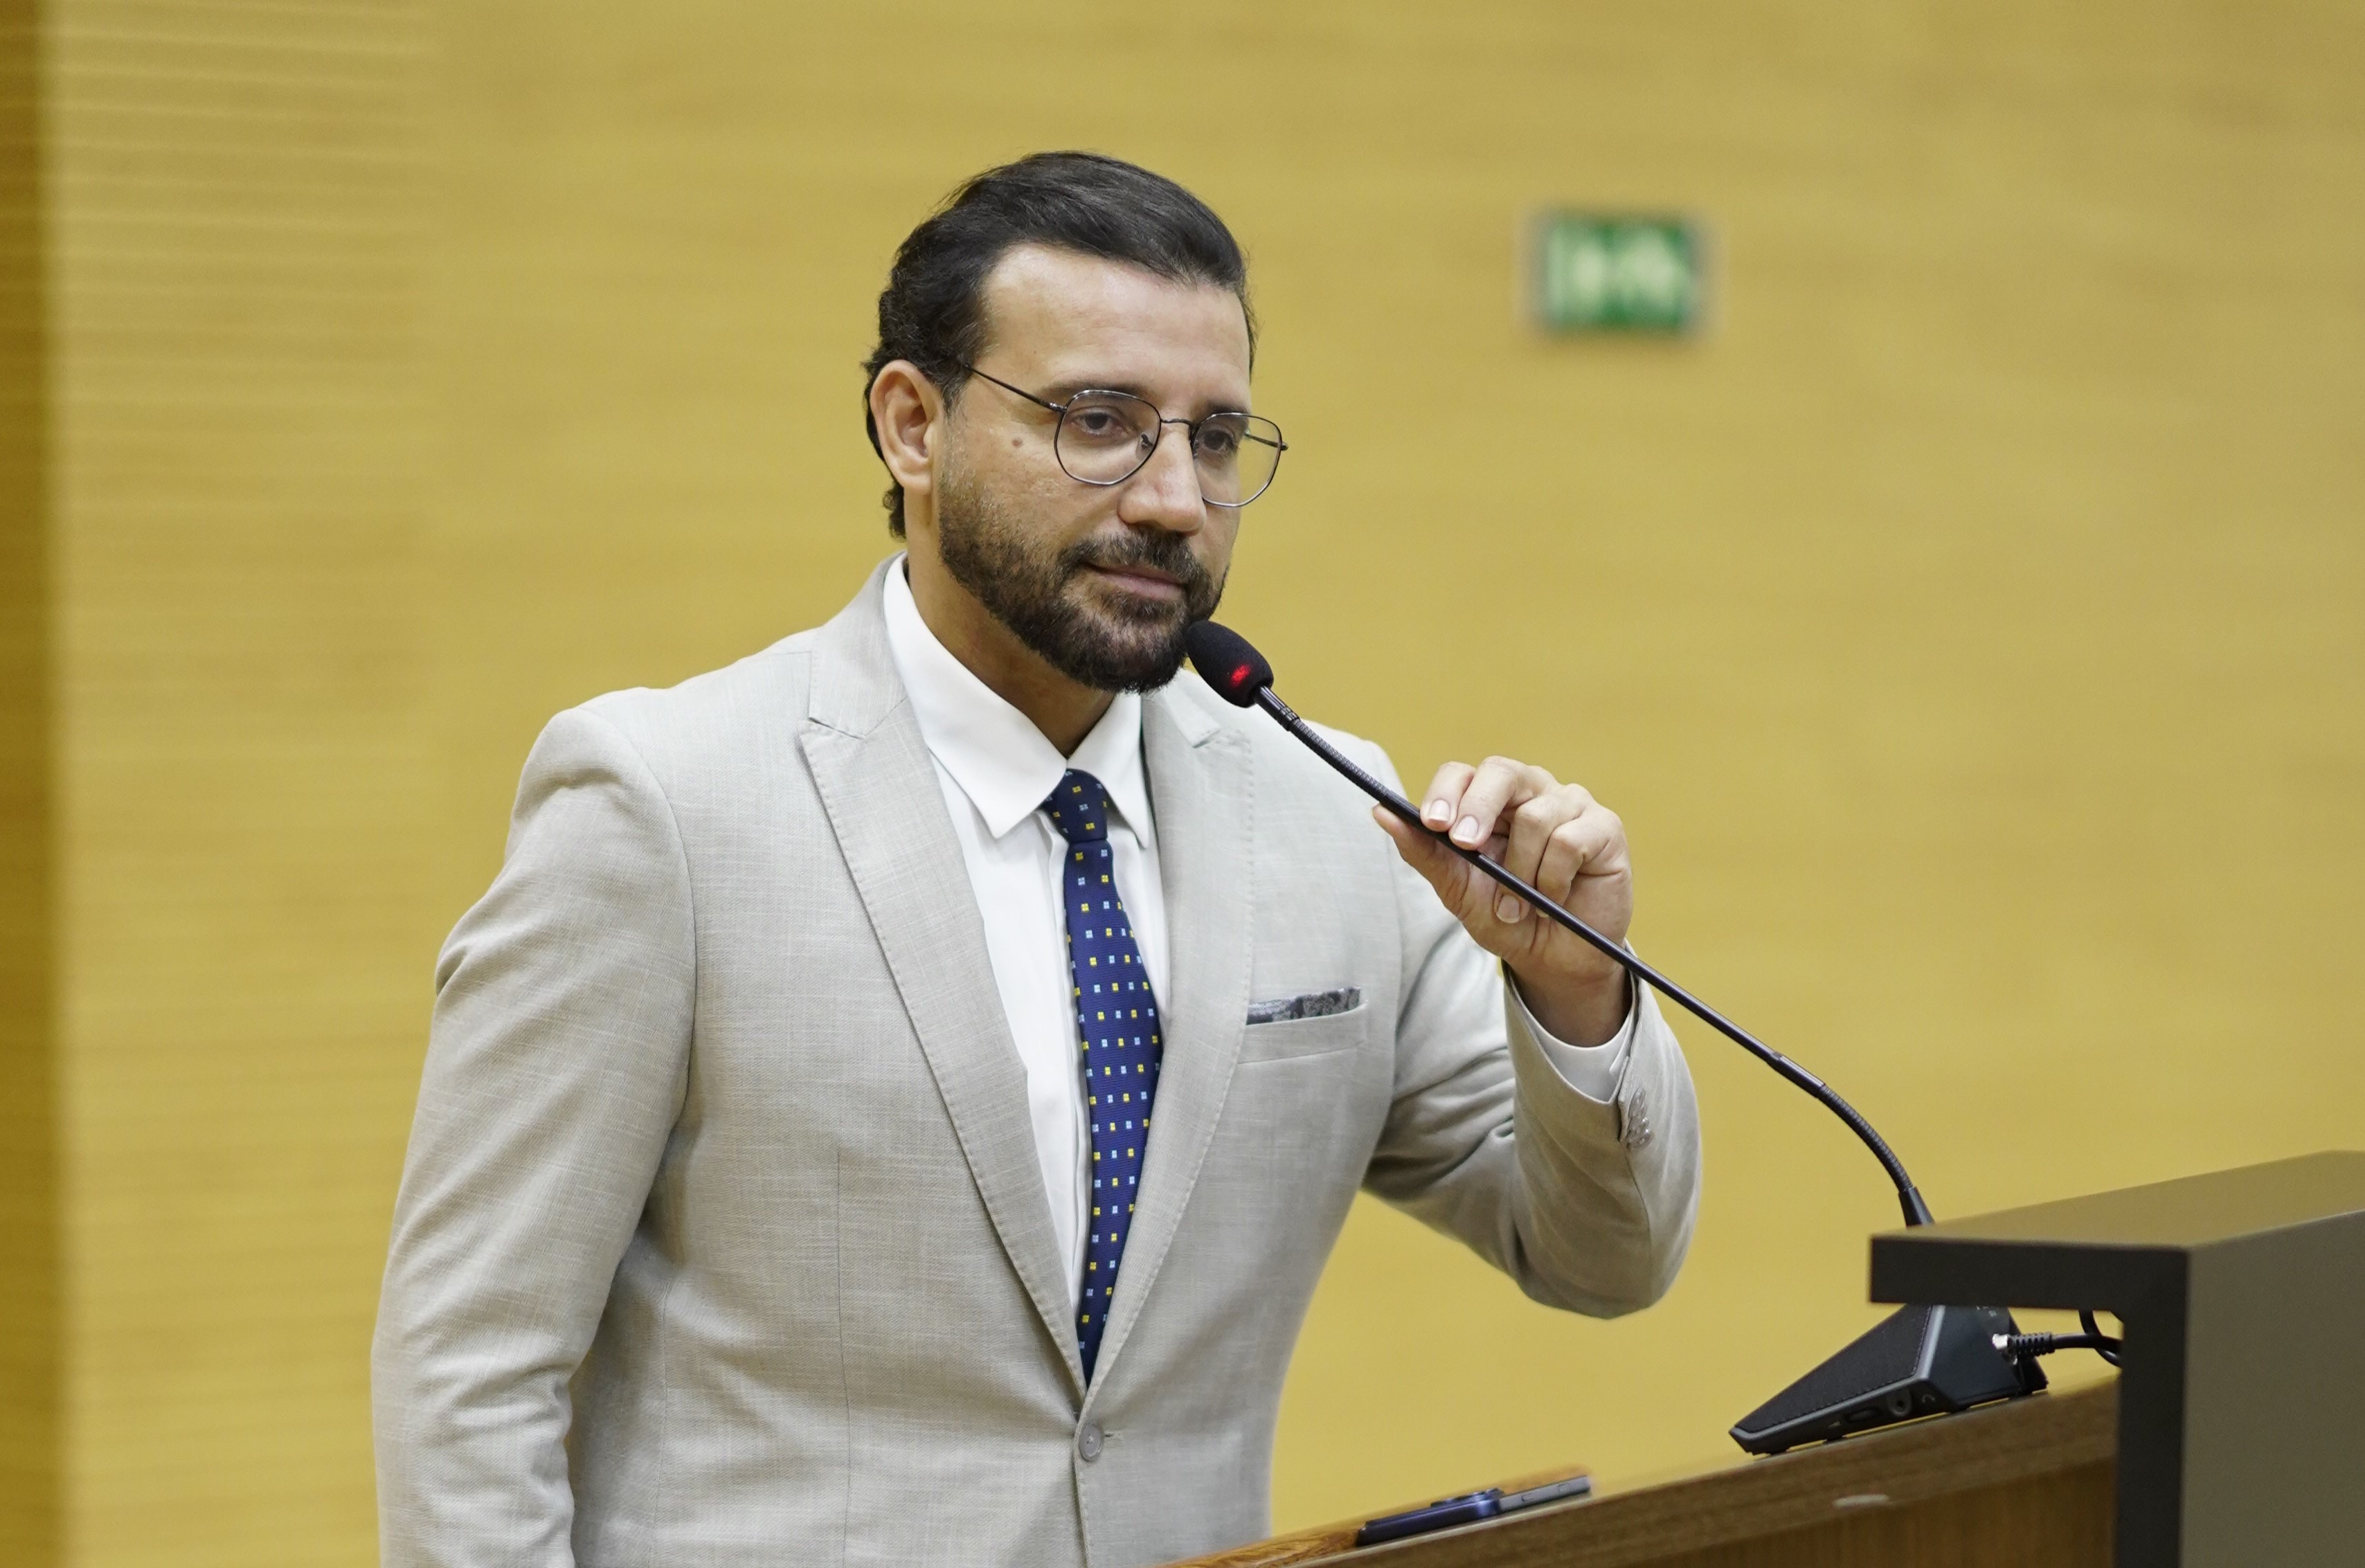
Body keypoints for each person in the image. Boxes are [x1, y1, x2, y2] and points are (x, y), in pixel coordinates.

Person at [372, 151, 1700, 1568]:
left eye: (1213, 436)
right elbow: (471, 1367)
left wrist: (1574, 997)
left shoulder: (1336, 816)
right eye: (1098, 421)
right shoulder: (665, 804)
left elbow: (1601, 1256)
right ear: (910, 426)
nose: (1174, 497)